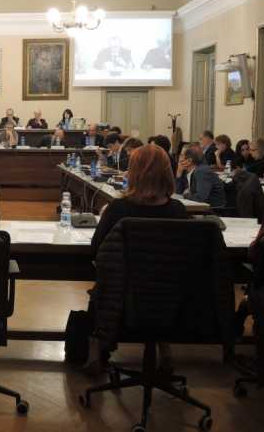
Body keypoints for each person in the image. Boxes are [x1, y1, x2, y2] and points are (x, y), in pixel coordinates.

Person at [86, 145, 187, 373]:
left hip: (122, 299)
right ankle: (164, 348)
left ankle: (96, 353)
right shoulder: (178, 211)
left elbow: (97, 251)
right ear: (167, 172)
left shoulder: (118, 209)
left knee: (101, 288)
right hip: (170, 301)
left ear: (132, 172)